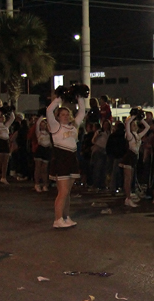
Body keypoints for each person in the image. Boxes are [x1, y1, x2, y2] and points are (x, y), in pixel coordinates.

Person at [46, 94, 86, 228]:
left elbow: (82, 112)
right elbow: (49, 111)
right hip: (61, 160)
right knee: (62, 192)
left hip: (72, 159)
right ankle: (57, 219)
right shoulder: (55, 126)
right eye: (62, 114)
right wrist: (59, 98)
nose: (65, 116)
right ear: (58, 117)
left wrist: (80, 97)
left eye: (67, 114)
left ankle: (66, 216)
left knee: (67, 192)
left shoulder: (73, 126)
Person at [122, 113, 150, 207]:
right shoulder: (129, 135)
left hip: (134, 157)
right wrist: (133, 117)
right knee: (128, 179)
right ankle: (128, 198)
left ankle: (128, 197)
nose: (135, 126)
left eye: (135, 125)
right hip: (129, 157)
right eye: (133, 125)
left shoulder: (137, 135)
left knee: (130, 179)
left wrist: (140, 119)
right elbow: (127, 124)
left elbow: (147, 127)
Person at [0, 108, 14, 185]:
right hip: (0, 142)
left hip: (6, 143)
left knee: (5, 162)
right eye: (1, 117)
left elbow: (12, 118)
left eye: (3, 117)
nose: (2, 118)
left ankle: (3, 177)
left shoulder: (6, 126)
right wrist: (0, 112)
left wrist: (10, 110)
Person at [33, 115, 52, 192]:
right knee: (38, 167)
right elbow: (37, 124)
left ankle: (45, 184)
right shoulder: (38, 132)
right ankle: (37, 184)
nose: (43, 126)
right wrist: (43, 116)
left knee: (44, 169)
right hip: (40, 149)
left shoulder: (49, 133)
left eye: (44, 125)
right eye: (41, 125)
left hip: (47, 150)